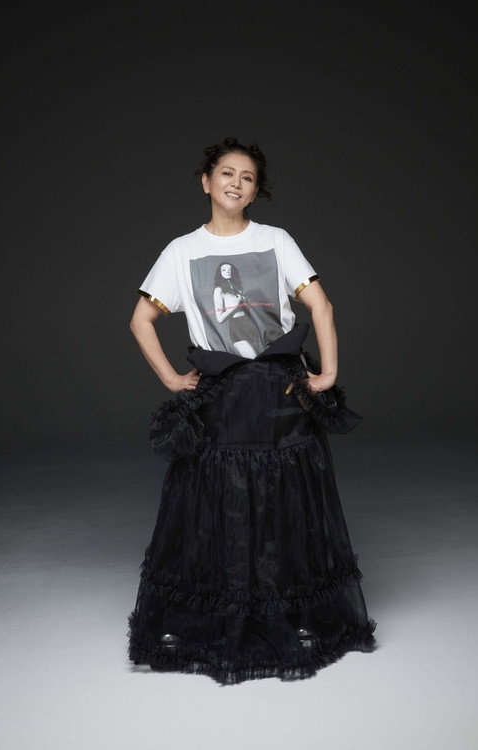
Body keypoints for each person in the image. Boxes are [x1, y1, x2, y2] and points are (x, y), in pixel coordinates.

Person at [127, 136, 377, 686]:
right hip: (222, 396)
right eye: (227, 173)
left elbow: (320, 305)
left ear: (256, 189)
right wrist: (171, 378)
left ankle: (285, 615)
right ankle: (231, 619)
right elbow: (140, 319)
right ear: (206, 181)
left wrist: (327, 375)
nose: (236, 183)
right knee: (224, 502)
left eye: (247, 177)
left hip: (278, 392)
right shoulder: (182, 251)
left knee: (282, 501)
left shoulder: (275, 241)